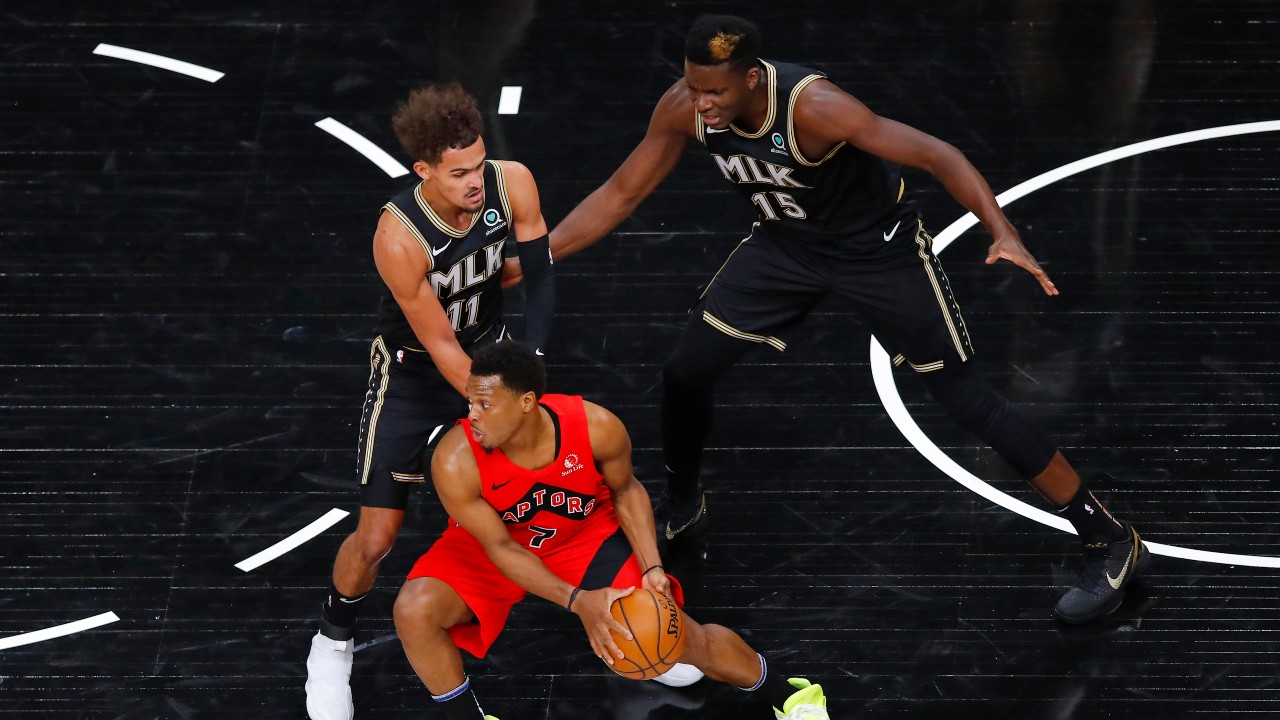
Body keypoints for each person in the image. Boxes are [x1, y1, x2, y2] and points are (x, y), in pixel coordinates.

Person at [546, 14, 1147, 625]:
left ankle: (1110, 538)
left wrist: (1002, 230)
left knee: (968, 401)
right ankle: (683, 505)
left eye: (715, 92)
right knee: (685, 370)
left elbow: (939, 154)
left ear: (752, 79)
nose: (701, 103)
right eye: (693, 87)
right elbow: (622, 191)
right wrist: (539, 256)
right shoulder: (686, 107)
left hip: (877, 253)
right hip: (786, 247)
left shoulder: (816, 108)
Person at [392, 341, 830, 720]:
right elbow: (501, 547)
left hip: (581, 535)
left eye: (485, 405)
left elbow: (626, 490)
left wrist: (652, 567)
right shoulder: (455, 459)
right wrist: (578, 601)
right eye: (470, 402)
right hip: (492, 546)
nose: (472, 415)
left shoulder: (594, 427)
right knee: (414, 610)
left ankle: (792, 697)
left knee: (674, 636)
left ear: (526, 402)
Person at [305, 83, 556, 720]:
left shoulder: (512, 182)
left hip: (492, 357)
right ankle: (332, 641)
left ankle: (631, 622)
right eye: (459, 173)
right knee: (376, 537)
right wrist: (498, 405)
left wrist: (529, 367)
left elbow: (542, 275)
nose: (476, 182)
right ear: (424, 171)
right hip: (414, 376)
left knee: (555, 485)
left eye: (479, 165)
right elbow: (440, 344)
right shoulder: (399, 236)